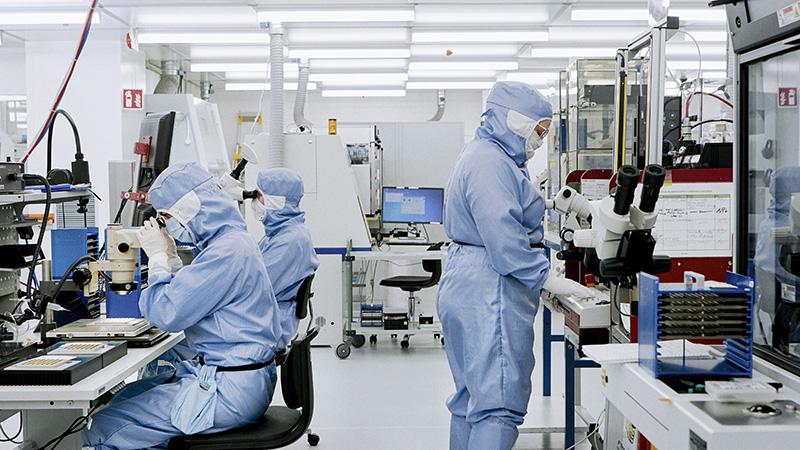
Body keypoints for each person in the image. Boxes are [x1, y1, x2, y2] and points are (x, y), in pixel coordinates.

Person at [437, 81, 593, 450]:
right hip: (490, 288)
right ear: (517, 121)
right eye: (539, 130)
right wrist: (545, 279)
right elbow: (503, 238)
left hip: (469, 281)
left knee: (470, 402)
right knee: (498, 407)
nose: (541, 140)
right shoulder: (490, 163)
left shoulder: (486, 155)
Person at [83, 162, 283, 449]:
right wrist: (172, 259)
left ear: (190, 207)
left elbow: (165, 312)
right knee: (126, 397)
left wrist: (157, 261)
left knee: (101, 427)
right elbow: (195, 294)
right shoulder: (229, 243)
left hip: (229, 392)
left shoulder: (227, 253)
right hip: (238, 379)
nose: (169, 225)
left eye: (167, 217)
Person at [252, 168, 320, 351]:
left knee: (184, 343)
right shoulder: (278, 234)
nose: (254, 202)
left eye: (258, 196)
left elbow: (252, 288)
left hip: (266, 327)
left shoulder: (291, 240)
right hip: (265, 319)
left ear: (276, 200)